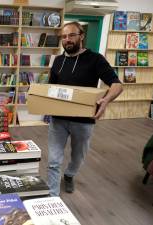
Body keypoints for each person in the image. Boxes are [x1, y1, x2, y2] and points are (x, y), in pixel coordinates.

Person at [47, 22, 123, 196]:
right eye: (64, 37)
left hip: (83, 122)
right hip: (58, 119)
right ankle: (52, 198)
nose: (67, 40)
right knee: (53, 160)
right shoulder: (58, 60)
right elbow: (50, 88)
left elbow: (117, 85)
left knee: (78, 157)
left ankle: (69, 174)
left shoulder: (96, 59)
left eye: (71, 35)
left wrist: (106, 101)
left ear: (81, 36)